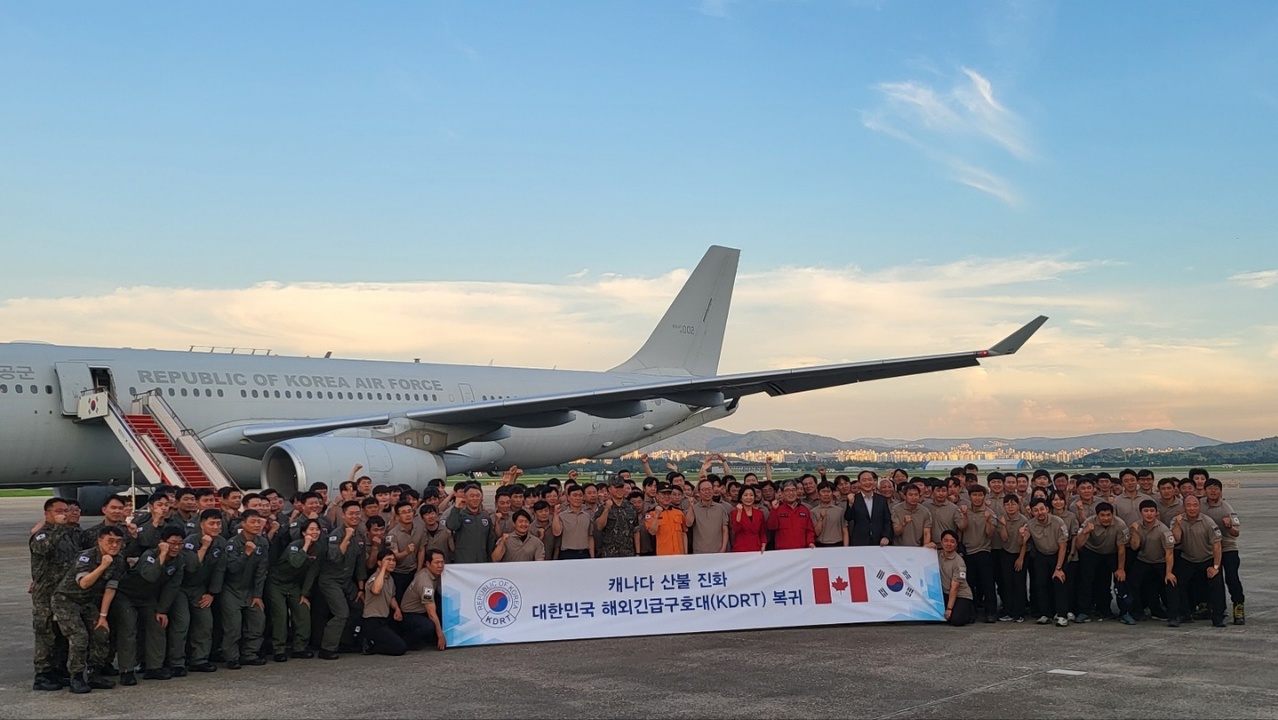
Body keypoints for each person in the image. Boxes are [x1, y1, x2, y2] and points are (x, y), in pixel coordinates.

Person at [52, 525, 126, 694]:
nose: (114, 545)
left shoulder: (119, 560)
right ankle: (76, 677)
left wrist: (103, 616)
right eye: (110, 541)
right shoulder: (86, 557)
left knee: (101, 632)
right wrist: (102, 566)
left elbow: (110, 588)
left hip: (88, 602)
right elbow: (84, 583)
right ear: (100, 541)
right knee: (79, 637)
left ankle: (94, 673)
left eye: (118, 542)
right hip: (66, 600)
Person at [30, 498, 79, 691]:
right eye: (59, 511)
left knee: (61, 632)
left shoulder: (68, 535)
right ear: (47, 514)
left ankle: (59, 669)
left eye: (66, 511)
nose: (64, 514)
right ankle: (43, 673)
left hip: (63, 593)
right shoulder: (42, 535)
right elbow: (45, 549)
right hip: (46, 593)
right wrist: (58, 528)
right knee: (45, 631)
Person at [315, 501, 368, 660]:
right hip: (330, 580)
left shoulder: (360, 536)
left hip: (346, 581)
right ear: (343, 515)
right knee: (341, 613)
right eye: (351, 513)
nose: (355, 517)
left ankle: (344, 641)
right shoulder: (336, 535)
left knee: (359, 607)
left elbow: (360, 566)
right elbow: (335, 557)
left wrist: (360, 589)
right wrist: (346, 537)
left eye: (357, 513)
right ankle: (327, 648)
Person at [267, 518, 321, 662]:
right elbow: (296, 563)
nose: (314, 532)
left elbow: (312, 573)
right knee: (281, 615)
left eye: (317, 529)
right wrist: (306, 545)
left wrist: (305, 594)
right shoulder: (295, 545)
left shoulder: (318, 549)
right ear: (304, 532)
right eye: (311, 529)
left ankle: (299, 648)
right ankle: (279, 649)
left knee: (303, 612)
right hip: (277, 583)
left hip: (293, 584)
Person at [219, 510, 269, 669]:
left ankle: (250, 654)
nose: (256, 525)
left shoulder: (262, 542)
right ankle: (232, 657)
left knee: (257, 621)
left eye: (258, 522)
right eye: (252, 522)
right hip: (231, 589)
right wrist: (246, 554)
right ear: (243, 524)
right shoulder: (232, 544)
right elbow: (232, 568)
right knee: (233, 626)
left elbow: (262, 570)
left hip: (250, 589)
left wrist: (257, 594)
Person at [1170, 494, 1226, 628]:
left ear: (1199, 507)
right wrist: (1177, 525)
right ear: (1184, 507)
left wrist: (1216, 566)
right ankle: (1182, 614)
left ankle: (1218, 616)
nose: (1192, 508)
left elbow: (1217, 546)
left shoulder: (1208, 522)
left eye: (1195, 505)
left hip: (1207, 558)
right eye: (1188, 505)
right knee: (1176, 582)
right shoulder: (1177, 520)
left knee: (1216, 582)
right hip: (1188, 558)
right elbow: (1176, 540)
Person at [1074, 502, 1131, 624]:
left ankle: (1124, 612)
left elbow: (1121, 549)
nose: (1106, 518)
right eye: (1102, 515)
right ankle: (1084, 611)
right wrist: (1085, 531)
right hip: (1091, 552)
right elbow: (1078, 545)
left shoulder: (1120, 524)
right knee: (1086, 580)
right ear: (1097, 515)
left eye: (1108, 515)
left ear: (1112, 514)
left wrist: (1121, 568)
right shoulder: (1089, 522)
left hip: (1112, 552)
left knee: (1121, 580)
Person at [1200, 478, 1244, 624]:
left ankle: (1238, 608)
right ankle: (1215, 608)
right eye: (1210, 488)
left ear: (1221, 491)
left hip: (1227, 548)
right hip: (1209, 550)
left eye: (1216, 488)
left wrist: (1230, 526)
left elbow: (1236, 533)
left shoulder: (1226, 508)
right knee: (1213, 581)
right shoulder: (1200, 505)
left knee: (1232, 579)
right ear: (1205, 490)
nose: (1213, 491)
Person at [1128, 500, 1177, 624]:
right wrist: (1135, 532)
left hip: (1160, 561)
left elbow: (1169, 552)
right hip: (1143, 560)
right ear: (1141, 513)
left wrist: (1169, 572)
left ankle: (1174, 615)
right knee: (1134, 584)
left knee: (1169, 584)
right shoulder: (1136, 526)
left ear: (1156, 512)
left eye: (1152, 511)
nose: (1149, 514)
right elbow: (1134, 547)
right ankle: (1137, 612)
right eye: (1146, 511)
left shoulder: (1163, 530)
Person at [1025, 498, 1070, 627]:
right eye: (1035, 510)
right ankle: (1044, 614)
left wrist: (1059, 568)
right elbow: (1023, 543)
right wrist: (1022, 537)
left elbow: (1063, 546)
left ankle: (1062, 615)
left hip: (1057, 555)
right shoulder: (1030, 524)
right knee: (1040, 583)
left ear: (1047, 509)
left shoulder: (1058, 522)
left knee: (1059, 582)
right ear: (1032, 512)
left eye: (1042, 509)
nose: (1039, 513)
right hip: (1041, 555)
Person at [958, 485, 998, 623]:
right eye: (974, 495)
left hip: (983, 551)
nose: (977, 498)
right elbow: (962, 527)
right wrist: (964, 515)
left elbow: (990, 533)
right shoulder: (964, 510)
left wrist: (987, 521)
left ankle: (991, 612)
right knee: (969, 584)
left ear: (984, 496)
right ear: (969, 497)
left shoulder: (990, 512)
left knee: (987, 584)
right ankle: (971, 612)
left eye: (980, 495)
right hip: (967, 552)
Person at [361, 550, 407, 656]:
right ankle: (370, 646)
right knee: (400, 648)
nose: (392, 563)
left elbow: (391, 597)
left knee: (402, 642)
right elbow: (376, 590)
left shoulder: (390, 579)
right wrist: (382, 569)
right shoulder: (375, 578)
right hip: (372, 621)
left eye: (393, 560)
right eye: (388, 560)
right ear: (379, 563)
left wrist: (397, 609)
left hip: (384, 619)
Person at [399, 550, 447, 651]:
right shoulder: (425, 582)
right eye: (436, 562)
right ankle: (408, 642)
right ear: (428, 564)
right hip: (410, 613)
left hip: (422, 609)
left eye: (442, 562)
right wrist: (440, 635)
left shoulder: (432, 573)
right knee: (428, 626)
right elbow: (431, 613)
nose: (440, 565)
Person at [445, 484, 496, 564]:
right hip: (463, 561)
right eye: (471, 496)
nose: (475, 498)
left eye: (478, 495)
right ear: (465, 498)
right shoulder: (459, 514)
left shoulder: (485, 517)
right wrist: (456, 508)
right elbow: (451, 526)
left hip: (482, 561)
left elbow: (490, 540)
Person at [997, 495, 1029, 622]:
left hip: (1020, 553)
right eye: (1007, 504)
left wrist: (1021, 558)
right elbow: (1004, 538)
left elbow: (1024, 543)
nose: (1010, 506)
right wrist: (1003, 525)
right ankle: (1008, 611)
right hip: (1006, 553)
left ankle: (1019, 613)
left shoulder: (1023, 520)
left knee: (1019, 583)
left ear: (1018, 505)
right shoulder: (1002, 519)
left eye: (1013, 504)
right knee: (1007, 583)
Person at [594, 478, 640, 558]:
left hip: (628, 553)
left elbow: (636, 531)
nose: (619, 490)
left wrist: (638, 553)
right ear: (609, 489)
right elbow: (599, 527)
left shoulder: (631, 507)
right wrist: (607, 509)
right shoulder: (602, 507)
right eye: (616, 487)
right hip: (609, 553)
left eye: (621, 487)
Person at [845, 471, 892, 547]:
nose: (867, 482)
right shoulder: (854, 499)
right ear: (859, 483)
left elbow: (887, 520)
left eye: (870, 480)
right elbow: (848, 517)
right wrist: (850, 504)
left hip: (879, 542)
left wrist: (886, 536)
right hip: (859, 542)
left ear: (874, 482)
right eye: (864, 480)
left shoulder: (881, 499)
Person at [938, 530, 974, 626]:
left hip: (961, 594)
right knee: (934, 618)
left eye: (952, 541)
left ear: (956, 544)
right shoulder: (938, 555)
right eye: (946, 541)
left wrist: (949, 609)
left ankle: (969, 611)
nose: (948, 544)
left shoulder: (959, 562)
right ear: (941, 542)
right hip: (945, 593)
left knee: (956, 620)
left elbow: (955, 587)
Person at [766, 482, 814, 550]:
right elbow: (771, 527)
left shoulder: (804, 510)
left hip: (802, 551)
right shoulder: (778, 509)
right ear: (782, 493)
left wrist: (810, 542)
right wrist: (774, 510)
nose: (791, 493)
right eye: (787, 490)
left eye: (793, 490)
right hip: (783, 552)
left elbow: (810, 530)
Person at [686, 479, 730, 553]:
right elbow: (688, 523)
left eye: (709, 489)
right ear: (699, 492)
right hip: (699, 551)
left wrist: (723, 548)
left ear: (713, 491)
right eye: (703, 490)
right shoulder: (694, 508)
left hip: (718, 551)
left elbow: (725, 529)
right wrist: (690, 506)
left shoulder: (720, 508)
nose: (707, 492)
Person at [557, 485, 594, 560]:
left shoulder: (587, 516)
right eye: (574, 495)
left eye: (580, 495)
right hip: (567, 554)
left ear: (583, 497)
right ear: (568, 497)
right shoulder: (561, 515)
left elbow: (590, 537)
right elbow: (556, 532)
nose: (578, 498)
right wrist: (555, 515)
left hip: (584, 553)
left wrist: (592, 557)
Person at [730, 486, 767, 553]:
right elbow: (736, 529)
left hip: (756, 548)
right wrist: (739, 513)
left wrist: (763, 544)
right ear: (741, 498)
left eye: (751, 495)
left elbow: (762, 532)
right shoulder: (734, 513)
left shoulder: (760, 513)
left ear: (754, 497)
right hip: (740, 549)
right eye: (745, 495)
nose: (749, 498)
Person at [810, 481, 846, 548]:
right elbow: (816, 533)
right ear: (818, 494)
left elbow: (844, 531)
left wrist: (845, 548)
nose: (826, 494)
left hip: (837, 544)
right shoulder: (813, 511)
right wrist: (821, 519)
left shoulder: (840, 510)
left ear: (832, 493)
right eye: (823, 492)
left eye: (828, 492)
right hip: (820, 545)